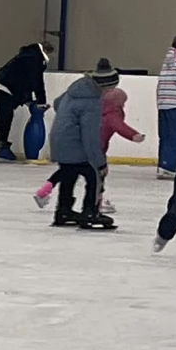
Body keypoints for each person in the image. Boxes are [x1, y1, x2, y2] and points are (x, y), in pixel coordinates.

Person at [34, 86, 143, 213]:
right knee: (98, 177)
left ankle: (43, 192)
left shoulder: (93, 108)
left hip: (78, 146)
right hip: (95, 149)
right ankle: (97, 203)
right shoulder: (113, 114)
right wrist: (134, 136)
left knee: (66, 171)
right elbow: (120, 127)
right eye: (123, 102)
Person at [47, 58, 118, 230]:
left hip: (58, 141)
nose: (112, 92)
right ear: (104, 86)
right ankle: (90, 213)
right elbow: (90, 138)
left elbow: (57, 103)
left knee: (68, 175)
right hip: (75, 144)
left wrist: (68, 120)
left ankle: (63, 211)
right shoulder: (91, 103)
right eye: (111, 89)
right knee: (94, 176)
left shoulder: (77, 89)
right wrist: (100, 163)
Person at [0, 42, 54, 163]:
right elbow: (37, 82)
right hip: (4, 87)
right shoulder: (35, 58)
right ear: (47, 51)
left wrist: (29, 100)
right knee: (2, 116)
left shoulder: (29, 55)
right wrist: (41, 101)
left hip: (2, 85)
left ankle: (3, 149)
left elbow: (25, 80)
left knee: (7, 115)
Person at [156, 36, 176, 179]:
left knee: (165, 135)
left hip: (162, 103)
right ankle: (170, 166)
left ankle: (163, 164)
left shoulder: (166, 63)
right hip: (175, 103)